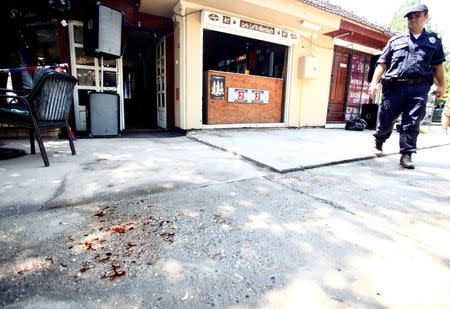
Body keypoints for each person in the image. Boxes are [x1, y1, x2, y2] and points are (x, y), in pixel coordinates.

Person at [368, 3, 446, 169]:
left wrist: (442, 86)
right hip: (394, 87)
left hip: (419, 88)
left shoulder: (433, 41)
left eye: (417, 16)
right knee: (386, 118)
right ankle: (379, 141)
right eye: (410, 17)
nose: (413, 20)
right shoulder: (395, 40)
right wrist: (374, 83)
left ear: (426, 17)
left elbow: (438, 66)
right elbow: (382, 63)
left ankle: (406, 154)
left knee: (412, 122)